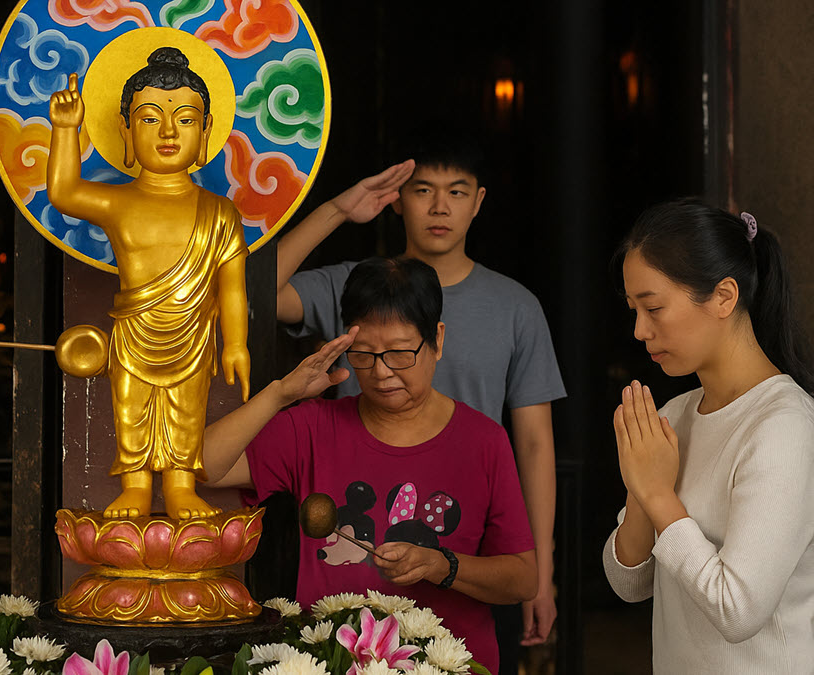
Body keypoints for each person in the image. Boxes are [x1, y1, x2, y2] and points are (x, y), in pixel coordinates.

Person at [275, 127, 564, 652]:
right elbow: (251, 291)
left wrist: (538, 572)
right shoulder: (354, 289)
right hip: (360, 551)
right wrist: (338, 210)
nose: (439, 206)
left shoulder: (516, 306)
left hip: (472, 556)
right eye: (422, 189)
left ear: (478, 202)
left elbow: (535, 444)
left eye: (456, 191)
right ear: (396, 200)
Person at [205, 257, 537, 674]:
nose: (381, 373)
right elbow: (203, 465)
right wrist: (280, 394)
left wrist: (442, 565)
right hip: (330, 662)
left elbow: (523, 579)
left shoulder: (484, 441)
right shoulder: (312, 428)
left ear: (437, 339)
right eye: (363, 354)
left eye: (400, 353)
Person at [603, 199, 814, 671]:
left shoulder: (785, 425)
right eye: (633, 309)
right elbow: (630, 584)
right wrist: (641, 492)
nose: (639, 330)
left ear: (724, 296)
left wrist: (658, 495)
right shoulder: (676, 413)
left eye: (653, 307)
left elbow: (739, 611)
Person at [47, 47, 249, 520]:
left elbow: (233, 287)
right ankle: (135, 486)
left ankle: (181, 486)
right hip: (135, 330)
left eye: (184, 118)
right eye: (149, 118)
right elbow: (64, 192)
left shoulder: (221, 213)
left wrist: (236, 342)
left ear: (205, 131)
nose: (168, 132)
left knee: (186, 410)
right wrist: (63, 129)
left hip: (194, 333)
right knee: (132, 408)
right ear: (125, 129)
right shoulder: (120, 203)